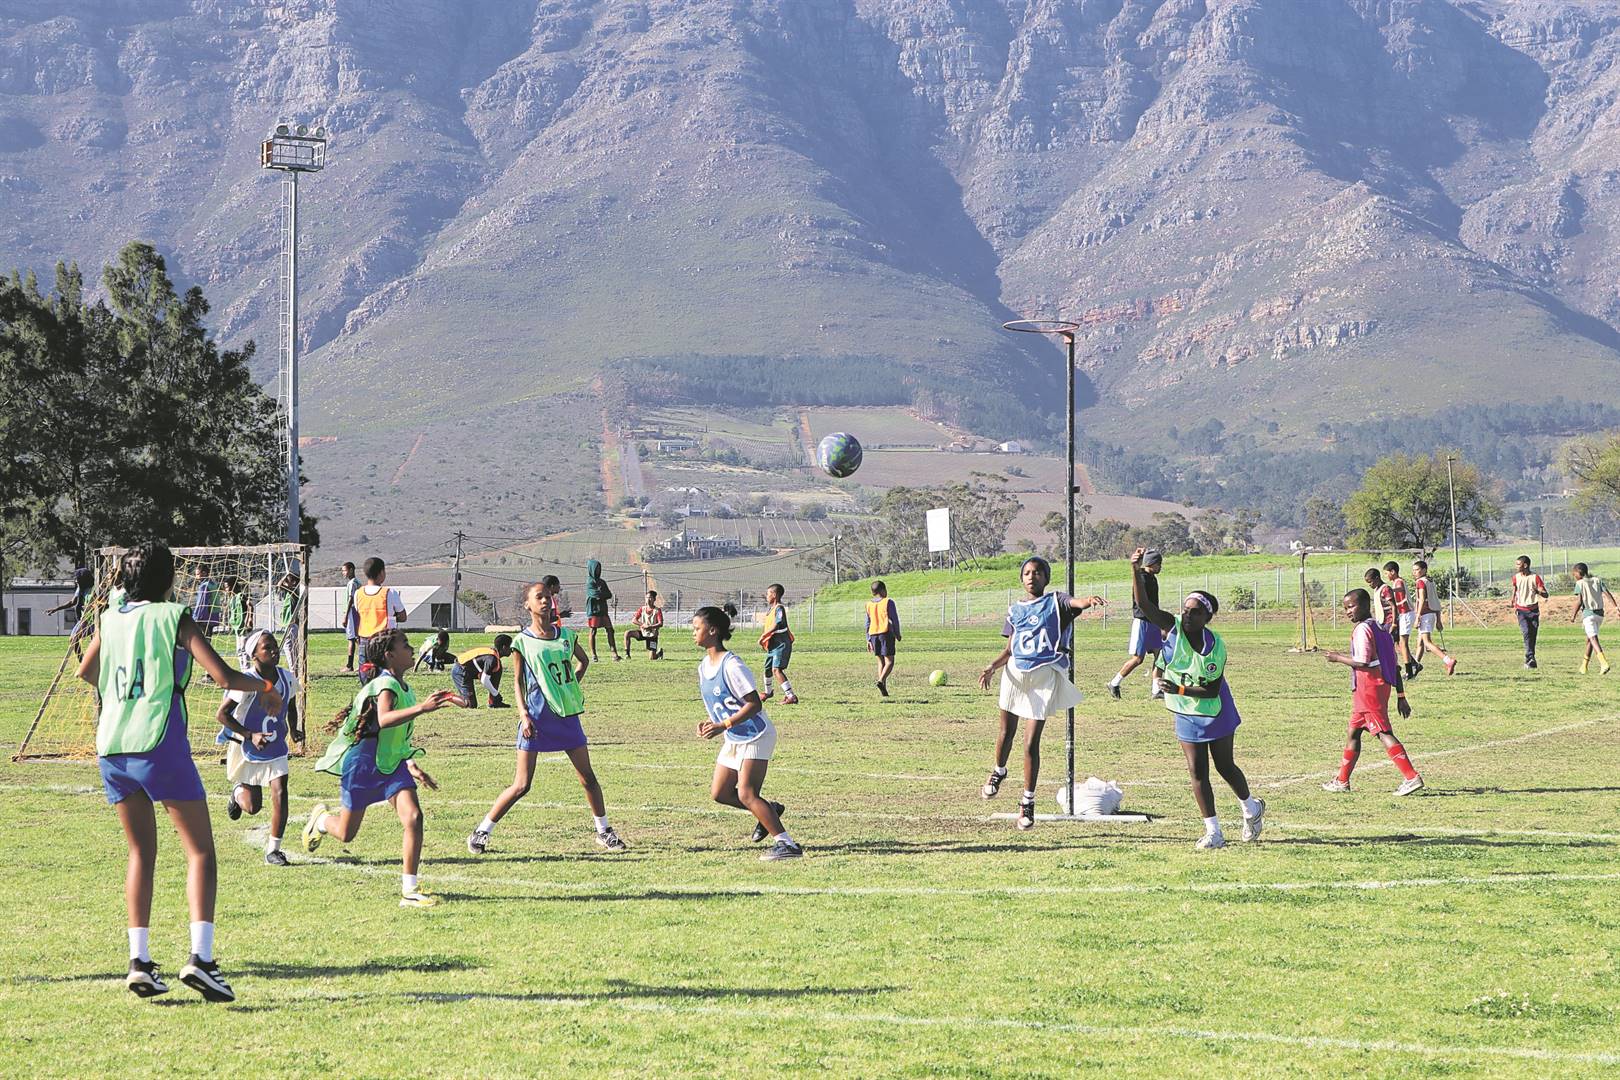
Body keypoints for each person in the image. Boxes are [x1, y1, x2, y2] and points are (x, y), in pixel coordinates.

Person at [76, 541, 284, 1002]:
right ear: (168, 578)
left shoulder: (110, 620)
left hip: (112, 746)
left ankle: (139, 962)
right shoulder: (174, 618)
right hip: (158, 742)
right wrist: (266, 686)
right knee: (200, 853)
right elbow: (225, 677)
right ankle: (201, 960)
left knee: (140, 853)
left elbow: (87, 672)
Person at [304, 629, 463, 907]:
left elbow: (395, 736)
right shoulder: (385, 684)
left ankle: (410, 890)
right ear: (390, 655)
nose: (411, 649)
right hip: (363, 764)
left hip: (391, 764)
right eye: (405, 645)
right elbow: (385, 719)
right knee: (346, 834)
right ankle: (321, 821)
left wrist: (410, 763)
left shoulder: (404, 687)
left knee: (414, 817)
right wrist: (423, 708)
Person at [468, 582, 626, 855]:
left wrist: (569, 688)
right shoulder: (522, 641)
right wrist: (523, 714)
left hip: (566, 717)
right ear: (527, 605)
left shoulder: (566, 635)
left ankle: (604, 832)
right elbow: (517, 682)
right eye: (539, 597)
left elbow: (583, 662)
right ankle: (481, 831)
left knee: (588, 777)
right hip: (537, 719)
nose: (545, 601)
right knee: (522, 785)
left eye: (548, 596)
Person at [1132, 547, 1265, 849]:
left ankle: (1251, 808)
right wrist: (1135, 570)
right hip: (1186, 711)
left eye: (1195, 612)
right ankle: (1213, 832)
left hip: (1215, 709)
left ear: (1207, 617)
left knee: (1225, 766)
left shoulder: (1215, 646)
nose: (1187, 615)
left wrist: (1177, 689)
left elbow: (1211, 691)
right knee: (1197, 771)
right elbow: (1144, 604)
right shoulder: (1172, 627)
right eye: (1186, 609)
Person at [977, 557, 1105, 829]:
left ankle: (1027, 802)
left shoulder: (1056, 602)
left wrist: (1088, 600)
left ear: (1046, 578)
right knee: (1005, 732)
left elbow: (1076, 603)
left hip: (1043, 677)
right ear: (1021, 578)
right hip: (1015, 674)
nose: (1031, 576)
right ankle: (999, 771)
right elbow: (1010, 649)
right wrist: (992, 666)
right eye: (1027, 572)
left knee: (1030, 742)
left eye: (1037, 572)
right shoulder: (1015, 610)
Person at [692, 603, 801, 860]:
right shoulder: (703, 666)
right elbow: (721, 704)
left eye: (697, 628)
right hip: (735, 737)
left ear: (713, 630)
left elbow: (754, 704)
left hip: (756, 734)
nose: (693, 632)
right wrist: (710, 722)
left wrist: (723, 725)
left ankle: (787, 845)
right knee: (720, 793)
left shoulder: (732, 665)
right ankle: (769, 810)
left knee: (746, 793)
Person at [1320, 589, 1424, 796]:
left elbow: (1363, 661)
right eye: (1345, 608)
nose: (1348, 612)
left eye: (1351, 606)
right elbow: (1394, 665)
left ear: (1365, 605)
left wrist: (1337, 658)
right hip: (1373, 688)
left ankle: (1411, 777)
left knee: (1383, 732)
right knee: (1354, 731)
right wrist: (1401, 695)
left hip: (1369, 688)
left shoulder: (1363, 629)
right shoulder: (1381, 629)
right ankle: (1342, 781)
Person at [215, 630, 304, 864]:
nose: (274, 650)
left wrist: (293, 729)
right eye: (267, 647)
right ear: (253, 655)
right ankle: (237, 793)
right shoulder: (244, 682)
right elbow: (222, 715)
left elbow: (291, 705)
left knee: (280, 790)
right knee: (253, 806)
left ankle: (273, 850)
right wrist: (249, 734)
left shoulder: (286, 678)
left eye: (275, 646)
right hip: (247, 745)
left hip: (275, 745)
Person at [1109, 548, 1163, 700]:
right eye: (1158, 564)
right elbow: (1141, 601)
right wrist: (1136, 564)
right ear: (1151, 563)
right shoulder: (1141, 578)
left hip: (1153, 622)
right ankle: (1114, 683)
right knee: (1138, 659)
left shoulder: (1152, 578)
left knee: (1160, 656)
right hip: (1143, 622)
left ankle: (1156, 690)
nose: (1160, 567)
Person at [352, 557, 406, 683]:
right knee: (385, 677)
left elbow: (359, 614)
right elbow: (403, 616)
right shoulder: (389, 592)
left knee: (366, 675)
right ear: (381, 572)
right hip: (384, 640)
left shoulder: (358, 593)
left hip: (364, 640)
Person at [1409, 560, 1456, 675]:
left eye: (1417, 570)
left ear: (1424, 570)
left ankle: (1448, 660)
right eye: (1413, 570)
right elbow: (1435, 600)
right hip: (1431, 614)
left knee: (1427, 642)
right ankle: (1414, 667)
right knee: (1420, 642)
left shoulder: (1420, 582)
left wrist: (1418, 616)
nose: (1414, 572)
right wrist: (1438, 619)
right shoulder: (1430, 581)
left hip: (1424, 614)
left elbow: (1421, 600)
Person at [1570, 563, 1615, 675]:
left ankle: (1603, 663)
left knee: (1593, 638)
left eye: (1574, 574)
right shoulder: (1597, 580)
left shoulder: (1580, 583)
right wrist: (1615, 606)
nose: (1574, 576)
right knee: (1589, 639)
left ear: (1579, 573)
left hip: (1588, 614)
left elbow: (1579, 601)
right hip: (1599, 615)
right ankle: (1584, 666)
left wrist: (1573, 615)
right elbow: (1607, 593)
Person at [757, 583, 797, 703]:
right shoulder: (771, 610)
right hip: (773, 645)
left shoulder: (779, 608)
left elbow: (777, 624)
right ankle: (768, 692)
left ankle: (791, 696)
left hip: (781, 643)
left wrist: (764, 636)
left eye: (768, 593)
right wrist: (766, 641)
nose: (767, 596)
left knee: (776, 669)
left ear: (774, 595)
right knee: (767, 668)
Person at [451, 635, 513, 708]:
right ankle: (447, 696)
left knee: (498, 669)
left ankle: (494, 702)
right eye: (510, 646)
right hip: (460, 670)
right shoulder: (491, 659)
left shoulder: (494, 656)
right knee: (470, 705)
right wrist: (496, 694)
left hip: (468, 670)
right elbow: (484, 680)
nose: (512, 650)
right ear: (504, 647)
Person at [1511, 555, 1549, 669]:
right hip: (1521, 610)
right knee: (1526, 632)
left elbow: (1545, 594)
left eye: (1518, 564)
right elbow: (1515, 588)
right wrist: (1512, 600)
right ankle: (1530, 656)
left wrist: (1538, 591)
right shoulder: (1516, 577)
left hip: (1533, 611)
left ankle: (1530, 659)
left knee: (1532, 635)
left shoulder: (1535, 577)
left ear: (1525, 565)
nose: (1516, 566)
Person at [1383, 560, 1419, 679]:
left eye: (1387, 573)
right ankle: (1414, 665)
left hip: (1406, 614)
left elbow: (1400, 597)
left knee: (1403, 643)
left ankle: (1409, 671)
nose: (1386, 576)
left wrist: (1388, 593)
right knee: (1399, 643)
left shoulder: (1398, 582)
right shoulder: (1396, 582)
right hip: (1403, 615)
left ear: (1393, 572)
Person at [866, 580, 901, 697]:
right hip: (885, 633)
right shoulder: (888, 602)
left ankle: (883, 689)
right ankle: (881, 681)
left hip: (873, 634)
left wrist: (868, 639)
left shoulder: (868, 604)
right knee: (889, 661)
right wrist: (897, 633)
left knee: (881, 662)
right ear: (883, 590)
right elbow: (894, 619)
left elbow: (867, 623)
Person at [585, 558, 621, 661]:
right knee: (593, 631)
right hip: (593, 610)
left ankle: (614, 653)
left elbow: (609, 594)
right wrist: (601, 594)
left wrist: (601, 595)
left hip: (603, 610)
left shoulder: (602, 582)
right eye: (596, 568)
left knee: (610, 630)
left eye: (599, 568)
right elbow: (594, 594)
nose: (597, 571)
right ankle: (594, 655)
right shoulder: (589, 582)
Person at [626, 589, 665, 660]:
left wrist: (650, 627)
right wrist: (642, 625)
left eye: (650, 598)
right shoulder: (642, 609)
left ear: (654, 599)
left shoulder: (657, 610)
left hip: (652, 635)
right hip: (643, 632)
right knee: (627, 633)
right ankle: (627, 654)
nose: (648, 599)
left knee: (652, 658)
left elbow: (660, 623)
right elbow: (634, 620)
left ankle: (659, 653)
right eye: (647, 597)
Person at [222, 577, 252, 669]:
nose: (226, 589)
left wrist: (249, 620)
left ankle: (246, 670)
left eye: (227, 587)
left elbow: (250, 607)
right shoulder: (232, 598)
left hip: (244, 627)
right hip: (237, 627)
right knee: (239, 650)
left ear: (233, 586)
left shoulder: (241, 596)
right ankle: (242, 669)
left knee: (244, 649)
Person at [1363, 567, 1397, 637]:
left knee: (1391, 641)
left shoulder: (1385, 589)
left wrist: (1394, 623)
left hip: (1389, 622)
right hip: (1380, 621)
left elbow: (1393, 606)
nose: (1370, 585)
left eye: (1370, 582)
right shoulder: (1376, 590)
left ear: (1377, 578)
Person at [340, 562, 361, 672]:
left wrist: (345, 615)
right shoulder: (356, 582)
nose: (343, 573)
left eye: (345, 570)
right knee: (356, 638)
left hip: (352, 612)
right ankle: (364, 661)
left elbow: (351, 599)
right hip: (354, 612)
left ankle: (350, 665)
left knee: (352, 638)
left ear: (351, 570)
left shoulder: (353, 583)